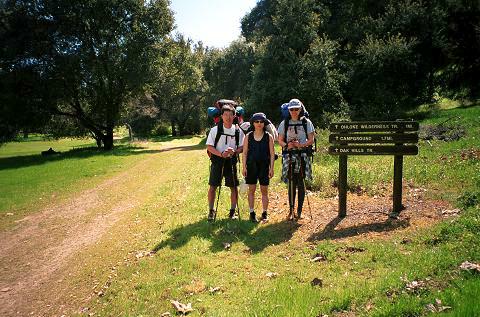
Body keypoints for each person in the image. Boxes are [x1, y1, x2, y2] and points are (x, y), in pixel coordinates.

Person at [277, 98, 315, 220]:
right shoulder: (285, 123)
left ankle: (299, 211)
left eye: (296, 109)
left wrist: (301, 145)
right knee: (291, 183)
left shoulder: (306, 122)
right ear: (288, 110)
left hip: (303, 155)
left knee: (301, 183)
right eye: (291, 109)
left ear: (300, 109)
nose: (294, 111)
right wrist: (288, 145)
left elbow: (311, 140)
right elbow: (280, 140)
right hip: (289, 156)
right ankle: (291, 211)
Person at [206, 104, 245, 221]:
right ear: (222, 116)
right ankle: (211, 211)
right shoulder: (215, 130)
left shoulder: (238, 130)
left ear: (234, 116)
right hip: (217, 160)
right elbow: (209, 146)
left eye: (230, 115)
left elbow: (243, 147)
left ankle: (232, 211)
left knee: (233, 187)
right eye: (226, 114)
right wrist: (221, 154)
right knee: (213, 186)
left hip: (231, 160)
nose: (228, 117)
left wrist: (235, 152)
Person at [242, 113, 275, 222]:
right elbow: (245, 153)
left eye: (261, 121)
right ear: (253, 123)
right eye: (257, 121)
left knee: (264, 190)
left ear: (264, 123)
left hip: (264, 166)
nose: (259, 124)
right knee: (251, 190)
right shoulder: (248, 136)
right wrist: (244, 167)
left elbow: (272, 154)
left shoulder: (268, 136)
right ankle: (252, 213)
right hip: (251, 166)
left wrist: (272, 168)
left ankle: (265, 213)